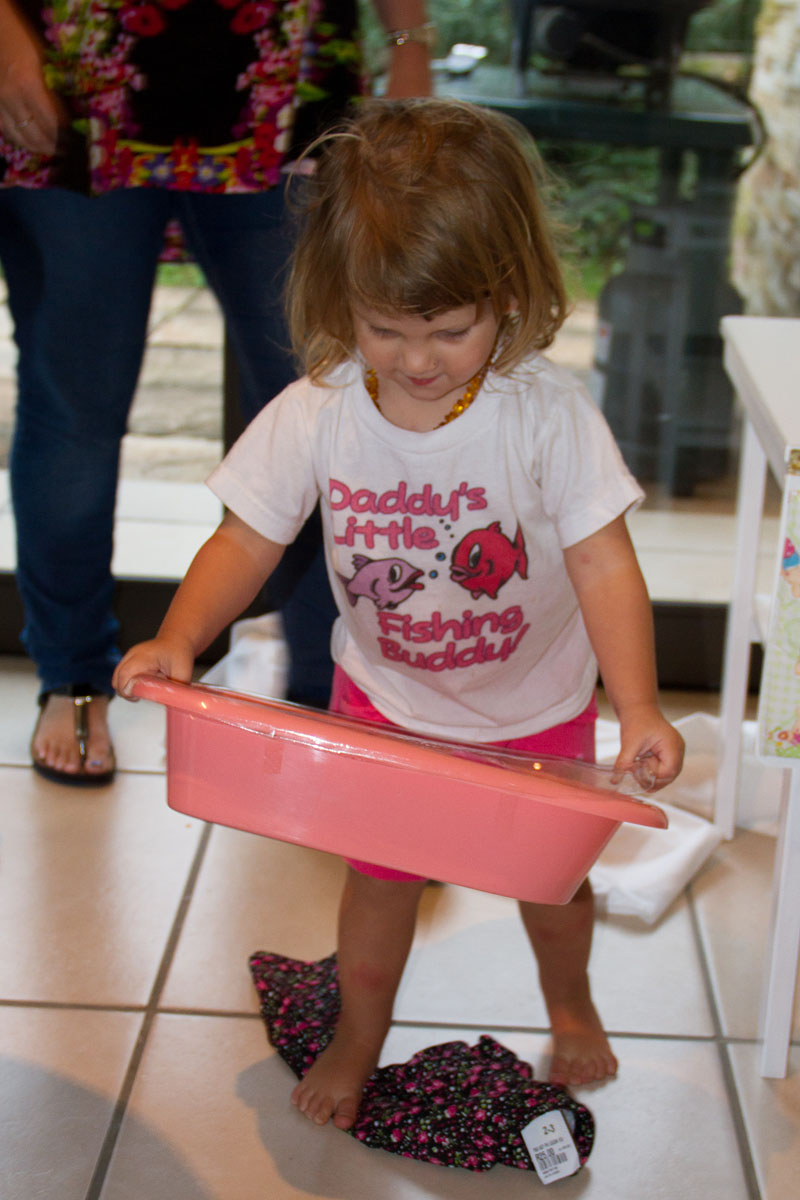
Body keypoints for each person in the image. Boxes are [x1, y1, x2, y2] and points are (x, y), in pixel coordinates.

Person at [113, 98, 685, 1125]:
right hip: (383, 705)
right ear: (343, 300)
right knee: (376, 895)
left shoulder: (545, 416)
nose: (417, 360)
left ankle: (571, 1003)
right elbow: (246, 538)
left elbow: (603, 565)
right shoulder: (319, 411)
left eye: (450, 332)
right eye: (386, 329)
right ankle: (354, 1039)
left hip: (536, 712)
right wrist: (177, 637)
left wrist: (636, 707)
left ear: (507, 298)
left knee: (550, 894)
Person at [0, 0, 432, 785]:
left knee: (341, 406)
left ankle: (333, 700)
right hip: (73, 75)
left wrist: (409, 39)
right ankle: (74, 677)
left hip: (285, 85)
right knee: (75, 411)